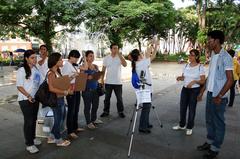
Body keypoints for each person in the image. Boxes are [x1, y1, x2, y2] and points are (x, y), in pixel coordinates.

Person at [197, 30, 233, 159]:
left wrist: (219, 96)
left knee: (218, 123)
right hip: (210, 94)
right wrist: (202, 91)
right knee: (209, 120)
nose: (208, 43)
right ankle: (210, 142)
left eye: (210, 40)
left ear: (217, 41)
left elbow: (230, 80)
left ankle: (215, 148)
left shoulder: (226, 57)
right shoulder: (213, 54)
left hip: (219, 97)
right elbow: (211, 76)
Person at [128, 39, 159, 134]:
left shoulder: (138, 64)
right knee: (146, 108)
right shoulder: (141, 63)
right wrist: (155, 45)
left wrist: (151, 44)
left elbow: (147, 53)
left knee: (147, 107)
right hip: (145, 89)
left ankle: (146, 123)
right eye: (140, 53)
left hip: (143, 89)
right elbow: (152, 55)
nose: (142, 53)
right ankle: (142, 126)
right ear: (138, 56)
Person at [172, 49, 205, 136]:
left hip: (194, 91)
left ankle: (189, 127)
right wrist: (180, 78)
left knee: (192, 109)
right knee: (182, 108)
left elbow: (202, 81)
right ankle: (182, 125)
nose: (190, 56)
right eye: (189, 55)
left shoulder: (200, 67)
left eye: (192, 55)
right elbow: (184, 77)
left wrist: (194, 81)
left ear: (197, 57)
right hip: (185, 89)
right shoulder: (186, 65)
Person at [16, 50, 42, 153]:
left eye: (35, 57)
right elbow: (19, 86)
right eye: (32, 58)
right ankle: (29, 144)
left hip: (35, 99)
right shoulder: (22, 70)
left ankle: (33, 138)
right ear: (26, 58)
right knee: (29, 121)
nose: (35, 59)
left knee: (34, 120)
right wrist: (28, 96)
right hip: (25, 100)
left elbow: (39, 82)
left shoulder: (35, 69)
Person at [47, 52, 73, 147]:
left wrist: (71, 78)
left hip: (60, 99)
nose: (62, 61)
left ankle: (51, 136)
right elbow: (51, 88)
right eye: (60, 59)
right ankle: (58, 140)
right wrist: (65, 92)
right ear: (55, 61)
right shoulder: (51, 73)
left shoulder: (57, 71)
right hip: (56, 100)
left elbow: (60, 84)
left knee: (61, 119)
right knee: (58, 120)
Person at [61, 50, 85, 139]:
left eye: (77, 58)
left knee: (76, 109)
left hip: (76, 88)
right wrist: (74, 76)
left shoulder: (73, 65)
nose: (76, 59)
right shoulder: (67, 65)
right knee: (71, 110)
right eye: (75, 57)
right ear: (70, 56)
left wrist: (84, 58)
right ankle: (70, 131)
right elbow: (65, 80)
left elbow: (85, 68)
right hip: (70, 89)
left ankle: (75, 127)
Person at [100, 43, 127, 118]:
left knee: (119, 99)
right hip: (108, 82)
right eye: (114, 48)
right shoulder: (106, 58)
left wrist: (120, 55)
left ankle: (120, 111)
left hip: (118, 82)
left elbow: (125, 64)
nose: (116, 50)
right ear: (111, 49)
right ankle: (106, 111)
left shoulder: (120, 57)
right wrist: (102, 79)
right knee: (107, 98)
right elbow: (103, 69)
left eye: (117, 48)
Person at [82, 50, 103, 129]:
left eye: (93, 56)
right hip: (87, 90)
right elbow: (81, 78)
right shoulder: (84, 67)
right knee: (87, 107)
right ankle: (88, 122)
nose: (92, 57)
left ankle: (94, 119)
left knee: (95, 105)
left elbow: (98, 76)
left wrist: (99, 76)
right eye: (90, 56)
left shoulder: (95, 66)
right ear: (86, 57)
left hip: (95, 89)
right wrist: (88, 77)